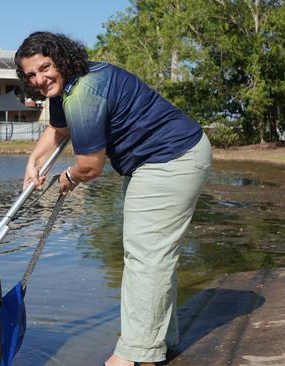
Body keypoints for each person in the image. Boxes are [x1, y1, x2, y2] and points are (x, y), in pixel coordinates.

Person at [15, 31, 211, 366]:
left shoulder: (84, 92)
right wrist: (33, 162)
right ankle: (158, 341)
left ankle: (135, 355)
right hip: (153, 161)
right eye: (31, 75)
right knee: (149, 253)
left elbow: (90, 167)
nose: (39, 79)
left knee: (146, 255)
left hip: (172, 158)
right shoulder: (68, 85)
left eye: (44, 68)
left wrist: (68, 177)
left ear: (60, 60)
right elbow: (57, 130)